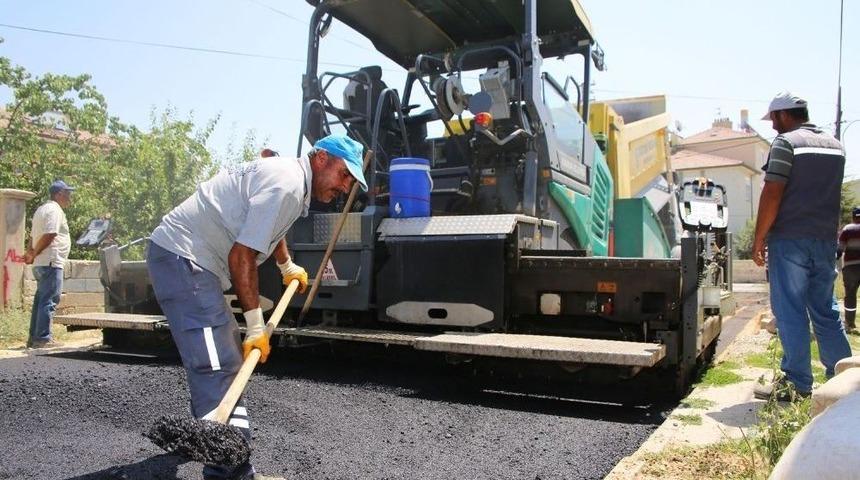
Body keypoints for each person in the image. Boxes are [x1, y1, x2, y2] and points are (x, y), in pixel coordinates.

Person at [145, 134, 367, 480]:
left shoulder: (291, 180)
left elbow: (267, 225)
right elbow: (242, 255)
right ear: (322, 158)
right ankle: (230, 473)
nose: (345, 186)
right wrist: (255, 326)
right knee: (218, 366)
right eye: (344, 174)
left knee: (223, 361)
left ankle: (217, 446)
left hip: (189, 260)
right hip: (183, 259)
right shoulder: (288, 185)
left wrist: (285, 265)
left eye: (351, 181)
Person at [752, 92, 852, 401]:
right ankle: (845, 382)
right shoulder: (836, 145)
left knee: (790, 309)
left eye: (773, 120)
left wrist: (759, 237)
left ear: (783, 115)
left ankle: (796, 384)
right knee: (825, 309)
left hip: (790, 239)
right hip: (824, 239)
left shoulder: (786, 143)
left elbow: (773, 191)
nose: (773, 127)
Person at [23, 180, 75, 348]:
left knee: (41, 300)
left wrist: (30, 253)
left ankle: (34, 338)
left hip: (42, 263)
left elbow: (33, 236)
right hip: (51, 261)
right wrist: (34, 253)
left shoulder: (41, 209)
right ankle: (43, 339)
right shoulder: (55, 210)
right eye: (67, 194)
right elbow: (50, 234)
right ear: (59, 194)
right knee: (50, 299)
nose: (70, 197)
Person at [838, 206, 860, 332]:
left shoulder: (847, 229)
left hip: (851, 268)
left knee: (850, 295)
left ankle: (849, 324)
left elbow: (840, 249)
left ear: (853, 216)